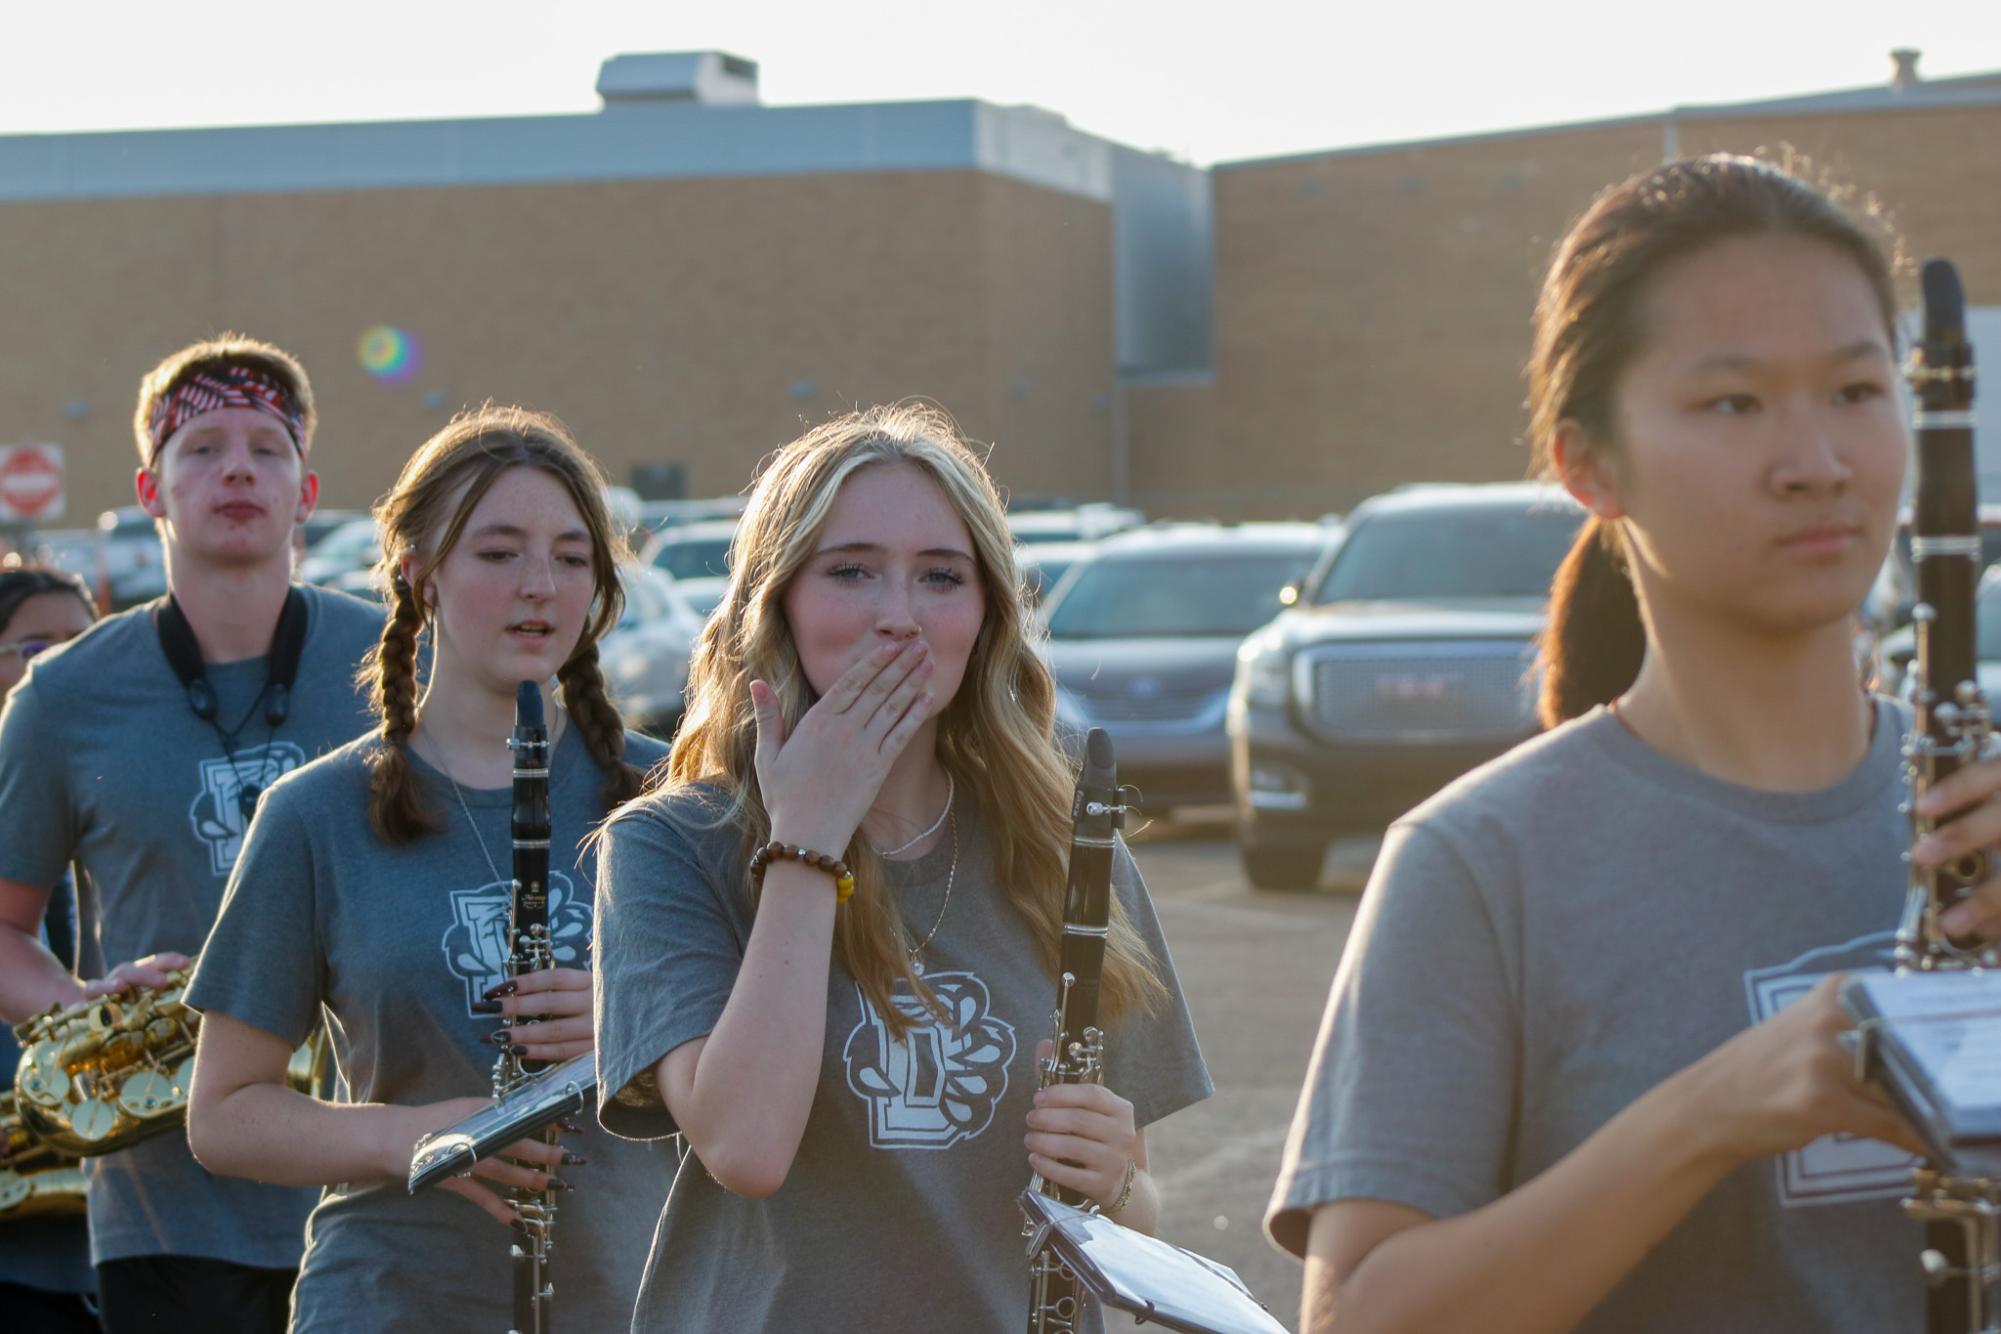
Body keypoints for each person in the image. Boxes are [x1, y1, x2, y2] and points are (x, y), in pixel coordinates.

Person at [1257, 153, 2001, 1332]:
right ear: (1588, 464)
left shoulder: (1984, 807)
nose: (1819, 461)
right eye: (1734, 403)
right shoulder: (1479, 860)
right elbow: (1360, 1317)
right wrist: (1717, 1107)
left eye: (1858, 390)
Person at [591, 402, 1213, 1331]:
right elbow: (746, 1148)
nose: (899, 616)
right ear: (778, 599)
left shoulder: (1064, 845)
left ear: (986, 611)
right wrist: (808, 838)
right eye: (850, 572)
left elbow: (1133, 1215)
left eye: (939, 577)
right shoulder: (671, 845)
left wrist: (1117, 1181)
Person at [184, 405, 672, 1333]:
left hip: (632, 1299)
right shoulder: (314, 815)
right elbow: (225, 1116)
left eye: (572, 558)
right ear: (421, 574)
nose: (541, 586)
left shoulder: (673, 801)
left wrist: (637, 1028)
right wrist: (422, 1135)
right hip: (385, 1301)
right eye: (498, 552)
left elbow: (781, 1061)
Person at [0, 335, 383, 1332]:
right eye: (203, 447)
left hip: (380, 1188)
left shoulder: (402, 668)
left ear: (307, 492)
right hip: (165, 1203)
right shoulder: (62, 694)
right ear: (151, 489)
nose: (238, 468)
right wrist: (79, 1003)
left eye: (267, 446)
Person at [0, 563, 98, 1333]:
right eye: (35, 645)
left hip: (100, 1239)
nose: (64, 667)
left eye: (81, 643)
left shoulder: (108, 808)